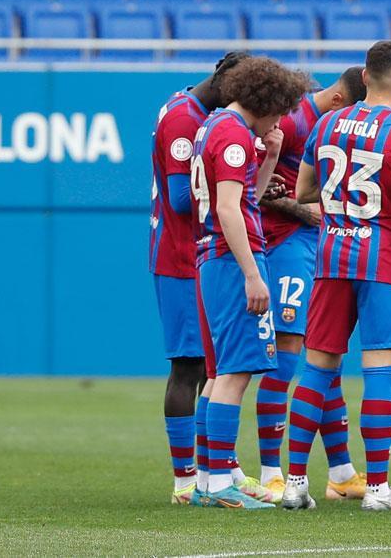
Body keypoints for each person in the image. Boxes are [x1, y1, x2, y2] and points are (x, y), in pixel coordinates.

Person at [282, 41, 391, 512]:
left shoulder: (327, 122)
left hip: (331, 258)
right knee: (380, 373)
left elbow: (303, 189)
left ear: (365, 76)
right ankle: (376, 489)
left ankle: (293, 483)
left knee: (317, 369)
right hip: (384, 263)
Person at [191, 56, 311, 509]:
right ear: (266, 102)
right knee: (236, 374)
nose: (281, 120)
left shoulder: (217, 126)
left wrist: (275, 156)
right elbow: (228, 210)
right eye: (280, 111)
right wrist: (252, 272)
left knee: (219, 374)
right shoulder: (234, 136)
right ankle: (220, 481)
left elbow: (247, 199)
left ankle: (208, 477)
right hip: (228, 259)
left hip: (213, 256)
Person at [251, 67, 369, 502]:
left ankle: (340, 472)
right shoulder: (295, 121)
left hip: (314, 245)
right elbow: (255, 187)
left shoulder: (319, 121)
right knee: (287, 353)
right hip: (284, 245)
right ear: (341, 100)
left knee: (326, 358)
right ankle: (269, 472)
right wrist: (306, 211)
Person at [148, 51, 247, 505]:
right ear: (224, 81)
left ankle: (216, 471)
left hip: (196, 256)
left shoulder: (192, 108)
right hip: (180, 257)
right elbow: (181, 199)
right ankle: (185, 480)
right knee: (188, 367)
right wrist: (232, 185)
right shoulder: (184, 121)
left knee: (213, 365)